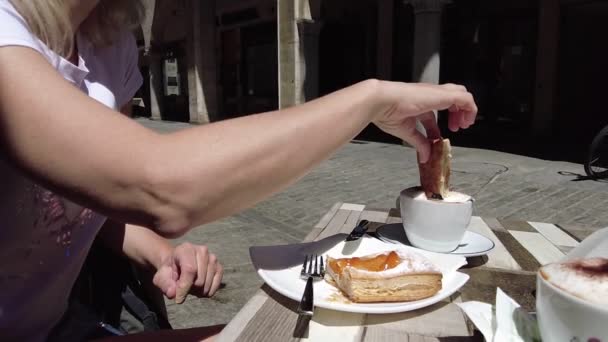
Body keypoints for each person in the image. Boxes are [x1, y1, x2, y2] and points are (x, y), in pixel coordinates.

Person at [0, 0, 477, 341]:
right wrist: (369, 99)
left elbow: (101, 198)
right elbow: (159, 186)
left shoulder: (110, 45)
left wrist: (160, 254)